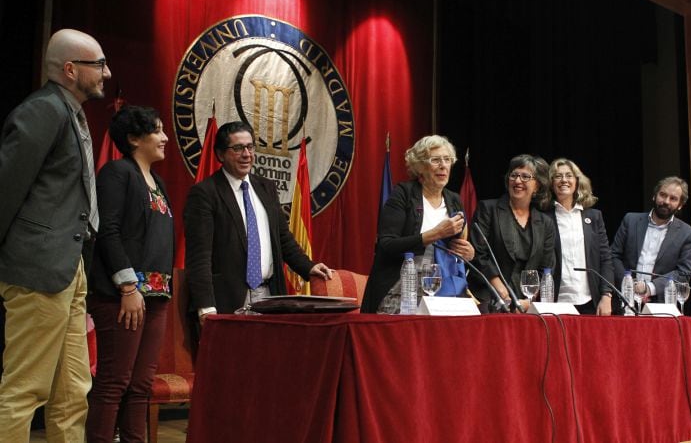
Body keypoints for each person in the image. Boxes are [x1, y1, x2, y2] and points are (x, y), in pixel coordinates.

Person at [0, 28, 111, 441]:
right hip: (39, 267)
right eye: (97, 64)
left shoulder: (71, 111)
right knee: (25, 389)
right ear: (70, 69)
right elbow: (7, 185)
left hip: (69, 267)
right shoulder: (43, 110)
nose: (106, 72)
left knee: (72, 392)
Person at [184, 121, 334, 323]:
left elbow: (282, 238)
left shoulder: (266, 187)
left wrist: (308, 267)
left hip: (269, 295)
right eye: (238, 148)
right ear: (220, 154)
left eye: (250, 147)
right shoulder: (205, 193)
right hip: (226, 300)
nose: (247, 154)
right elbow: (199, 256)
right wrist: (205, 306)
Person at [85, 106, 173, 442]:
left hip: (157, 295)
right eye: (157, 131)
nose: (165, 138)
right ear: (135, 138)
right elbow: (107, 230)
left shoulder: (159, 181)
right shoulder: (117, 172)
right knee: (114, 382)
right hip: (122, 296)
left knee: (140, 385)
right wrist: (127, 286)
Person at [361, 135, 475, 313]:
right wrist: (435, 234)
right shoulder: (403, 194)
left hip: (444, 289)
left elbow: (459, 245)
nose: (443, 165)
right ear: (420, 166)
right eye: (435, 160)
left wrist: (468, 252)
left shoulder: (454, 199)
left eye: (447, 160)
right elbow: (386, 244)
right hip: (401, 288)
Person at [470, 154, 555, 313]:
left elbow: (547, 267)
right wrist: (501, 291)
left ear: (537, 185)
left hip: (526, 305)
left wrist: (529, 300)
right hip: (490, 297)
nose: (517, 181)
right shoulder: (488, 209)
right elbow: (478, 254)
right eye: (514, 175)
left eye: (525, 177)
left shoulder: (545, 223)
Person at [610, 176, 691, 304]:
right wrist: (628, 283)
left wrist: (649, 288)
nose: (666, 201)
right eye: (663, 195)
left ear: (680, 205)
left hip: (660, 304)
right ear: (654, 196)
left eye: (673, 199)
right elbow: (613, 255)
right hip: (624, 298)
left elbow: (683, 272)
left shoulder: (686, 233)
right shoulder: (631, 221)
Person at [545, 158, 613, 315]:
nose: (564, 180)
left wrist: (606, 295)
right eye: (557, 176)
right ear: (551, 183)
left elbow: (605, 258)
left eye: (569, 175)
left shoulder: (594, 216)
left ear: (577, 181)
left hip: (590, 301)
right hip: (556, 302)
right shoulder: (543, 217)